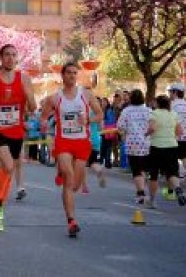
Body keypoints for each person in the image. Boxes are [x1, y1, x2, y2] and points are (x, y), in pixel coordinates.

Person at [0, 44, 37, 232]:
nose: (10, 58)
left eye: (13, 55)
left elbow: (33, 108)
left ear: (16, 58)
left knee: (7, 170)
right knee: (9, 166)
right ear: (1, 58)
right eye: (7, 55)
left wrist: (28, 96)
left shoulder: (25, 79)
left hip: (16, 131)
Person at [40, 62, 103, 237]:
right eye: (69, 73)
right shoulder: (54, 98)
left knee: (75, 185)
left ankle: (61, 173)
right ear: (63, 75)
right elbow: (44, 117)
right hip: (64, 142)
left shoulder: (87, 95)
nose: (72, 76)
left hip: (82, 142)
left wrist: (88, 120)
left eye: (75, 73)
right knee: (69, 178)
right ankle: (71, 220)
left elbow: (100, 115)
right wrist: (44, 127)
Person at [147, 95, 186, 208]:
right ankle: (178, 189)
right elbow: (180, 131)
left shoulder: (154, 113)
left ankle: (152, 200)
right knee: (172, 172)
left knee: (153, 175)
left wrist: (146, 134)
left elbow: (152, 128)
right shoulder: (174, 114)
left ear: (158, 103)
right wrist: (171, 136)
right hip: (171, 146)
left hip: (156, 146)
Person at [116, 89, 150, 205]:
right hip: (145, 143)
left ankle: (140, 192)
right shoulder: (148, 111)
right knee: (143, 168)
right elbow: (154, 126)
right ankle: (141, 190)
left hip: (132, 143)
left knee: (136, 170)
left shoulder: (126, 111)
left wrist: (123, 135)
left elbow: (120, 127)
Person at [168, 83, 186, 201]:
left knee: (172, 164)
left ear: (175, 93)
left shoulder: (171, 105)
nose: (169, 94)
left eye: (171, 92)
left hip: (174, 138)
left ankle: (173, 190)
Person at [83, 96, 105, 194]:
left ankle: (85, 187)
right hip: (96, 138)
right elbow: (101, 128)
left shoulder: (84, 111)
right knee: (93, 161)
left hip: (85, 138)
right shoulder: (99, 113)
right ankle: (99, 170)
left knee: (82, 164)